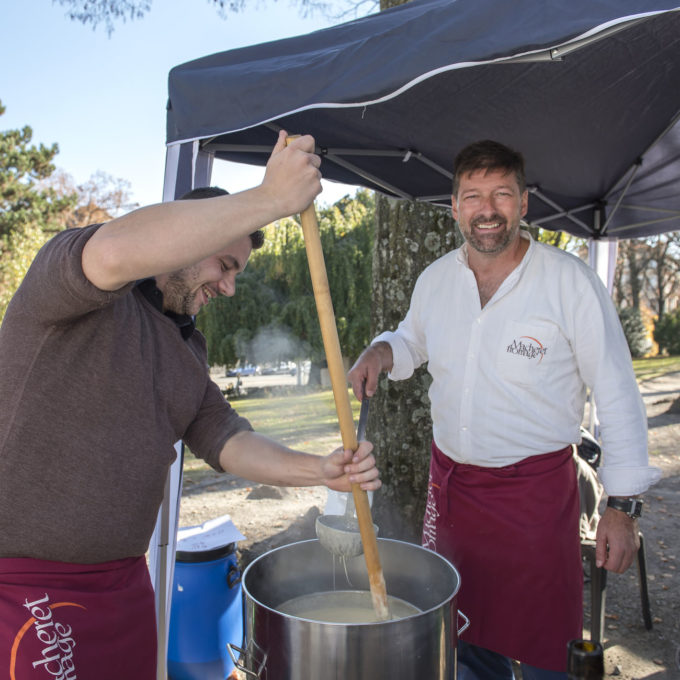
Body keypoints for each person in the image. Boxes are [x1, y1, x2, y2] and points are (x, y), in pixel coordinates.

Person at [0, 131, 380, 679]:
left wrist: (319, 469)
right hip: (28, 585)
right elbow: (112, 252)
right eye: (224, 264)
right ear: (188, 238)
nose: (227, 287)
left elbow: (225, 438)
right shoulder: (73, 284)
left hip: (126, 585)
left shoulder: (185, 346)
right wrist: (271, 198)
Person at [347, 139, 660, 679]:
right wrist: (383, 349)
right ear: (454, 206)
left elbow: (616, 388)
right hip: (453, 497)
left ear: (523, 203)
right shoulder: (436, 279)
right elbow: (411, 341)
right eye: (472, 196)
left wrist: (622, 506)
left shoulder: (569, 281)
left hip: (535, 501)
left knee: (546, 653)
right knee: (462, 646)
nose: (486, 210)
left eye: (501, 194)